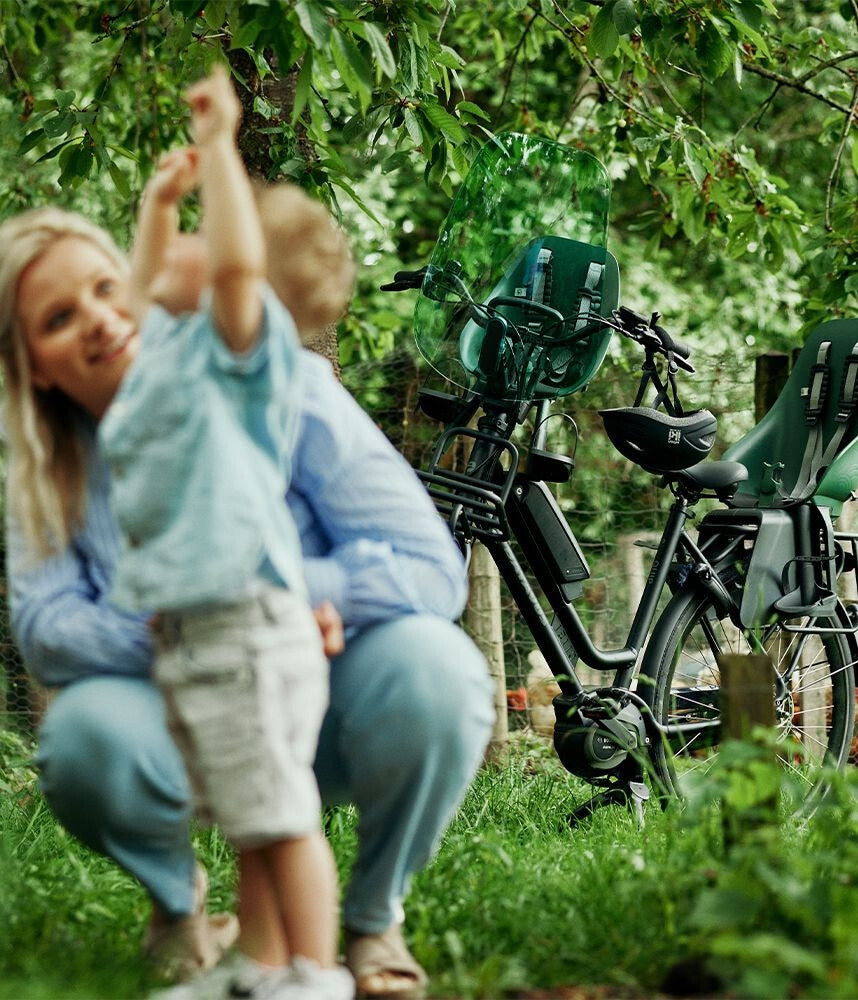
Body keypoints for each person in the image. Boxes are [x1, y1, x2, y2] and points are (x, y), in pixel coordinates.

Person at [0, 84, 494, 1000]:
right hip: (184, 671)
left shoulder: (242, 367)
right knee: (105, 746)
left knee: (304, 803)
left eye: (105, 289)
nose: (107, 318)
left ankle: (339, 950)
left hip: (281, 647)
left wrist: (286, 598)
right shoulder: (56, 455)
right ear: (32, 362)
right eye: (60, 317)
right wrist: (166, 623)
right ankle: (222, 943)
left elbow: (429, 565)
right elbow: (48, 628)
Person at [100, 66, 355, 999]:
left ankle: (316, 976)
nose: (193, 246)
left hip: (249, 627)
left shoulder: (241, 360)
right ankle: (259, 964)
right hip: (200, 631)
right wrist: (159, 205)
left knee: (283, 819)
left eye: (207, 236)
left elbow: (240, 269)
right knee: (250, 817)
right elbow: (136, 295)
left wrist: (218, 151)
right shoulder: (169, 346)